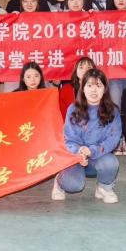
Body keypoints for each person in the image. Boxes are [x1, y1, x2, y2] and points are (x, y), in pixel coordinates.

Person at [52, 69, 122, 204]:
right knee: (74, 185)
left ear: (105, 89)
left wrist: (92, 150)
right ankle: (59, 182)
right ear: (83, 88)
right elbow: (68, 139)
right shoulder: (73, 109)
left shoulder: (113, 111)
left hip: (98, 155)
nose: (94, 90)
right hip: (76, 157)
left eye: (98, 85)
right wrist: (79, 152)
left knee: (111, 163)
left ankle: (104, 187)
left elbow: (113, 139)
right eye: (89, 85)